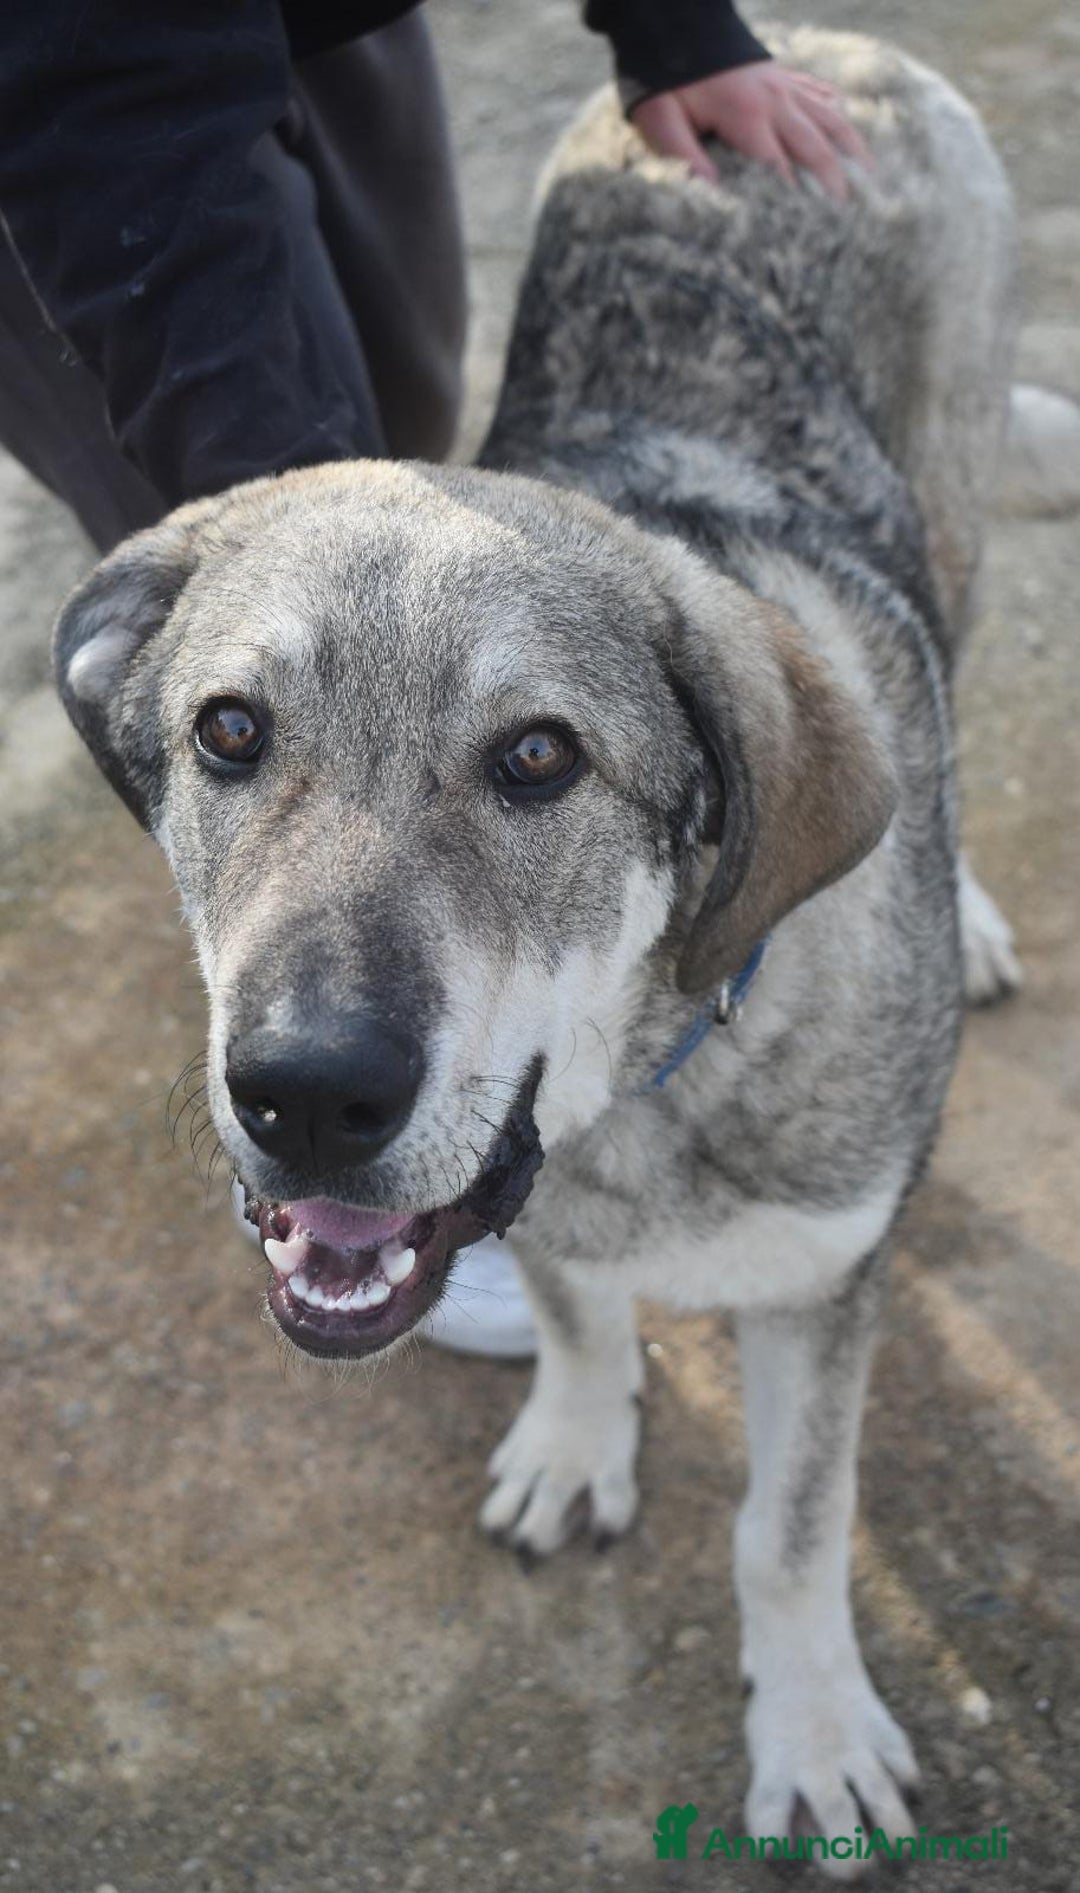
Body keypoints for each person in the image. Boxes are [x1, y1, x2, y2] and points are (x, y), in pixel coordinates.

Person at [0, 0, 867, 1352]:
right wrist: (287, 536)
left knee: (407, 430)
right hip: (55, 98)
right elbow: (99, 94)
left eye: (531, 759)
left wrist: (673, 22)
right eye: (232, 737)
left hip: (325, 23)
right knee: (264, 533)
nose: (320, 1059)